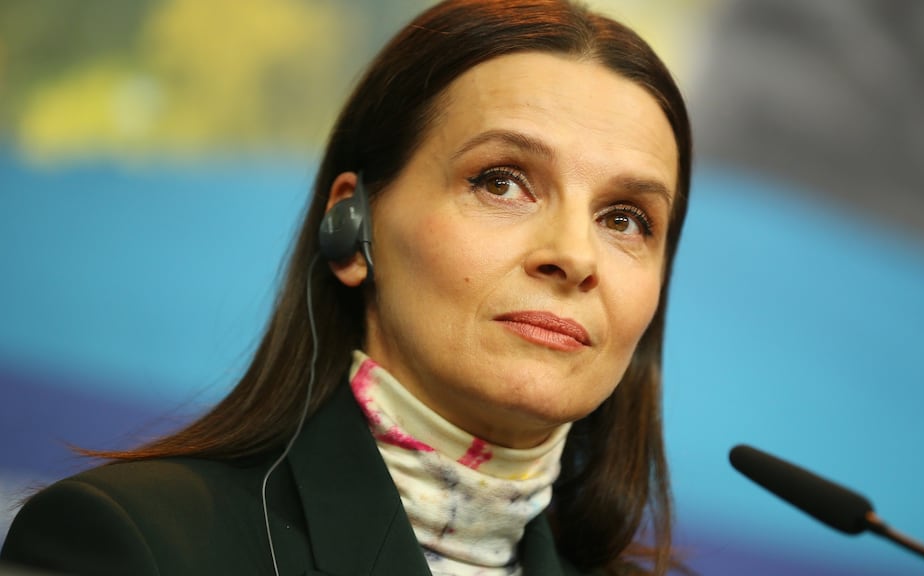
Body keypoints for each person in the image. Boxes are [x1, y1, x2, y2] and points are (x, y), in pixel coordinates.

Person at [0, 0, 692, 574]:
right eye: (501, 181)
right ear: (350, 226)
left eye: (626, 219)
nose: (574, 256)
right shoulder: (137, 543)